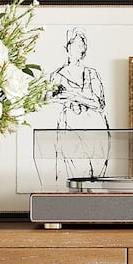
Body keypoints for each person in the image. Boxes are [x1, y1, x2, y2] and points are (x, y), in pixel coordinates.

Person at [50, 28, 109, 181]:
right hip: (71, 129)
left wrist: (72, 95)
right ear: (67, 47)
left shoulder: (92, 73)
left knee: (97, 175)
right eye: (75, 44)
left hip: (96, 129)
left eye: (81, 45)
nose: (79, 48)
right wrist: (81, 98)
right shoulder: (57, 76)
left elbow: (99, 102)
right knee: (77, 175)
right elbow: (49, 100)